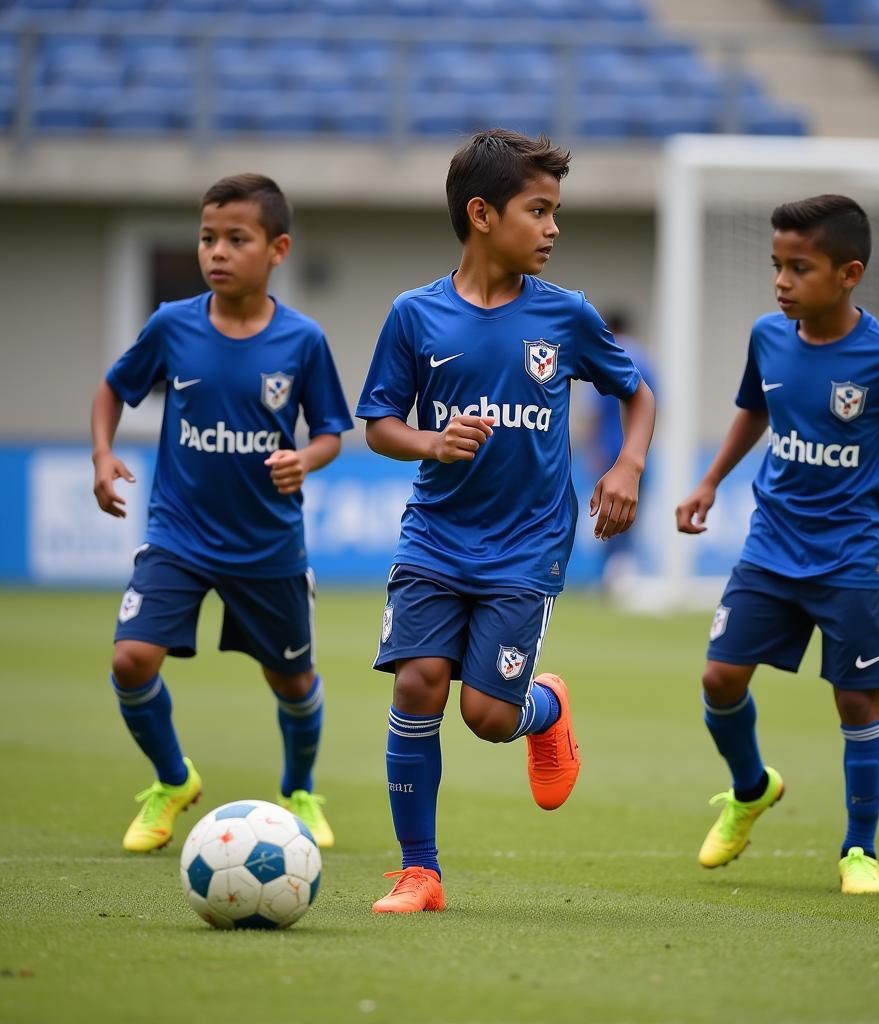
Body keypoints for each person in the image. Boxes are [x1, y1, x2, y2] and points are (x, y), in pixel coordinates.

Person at [356, 129, 656, 914]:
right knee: (419, 682)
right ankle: (420, 871)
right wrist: (432, 441)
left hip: (527, 547)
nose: (554, 228)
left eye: (557, 212)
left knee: (488, 718)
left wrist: (626, 466)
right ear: (482, 214)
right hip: (434, 535)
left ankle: (544, 709)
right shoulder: (415, 316)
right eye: (540, 211)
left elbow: (638, 393)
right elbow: (380, 424)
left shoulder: (567, 316)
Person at [675, 194, 879, 895]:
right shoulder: (768, 337)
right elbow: (755, 409)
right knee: (719, 679)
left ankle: (858, 851)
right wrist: (710, 480)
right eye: (776, 265)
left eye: (798, 267)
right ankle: (751, 788)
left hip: (851, 555)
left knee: (856, 700)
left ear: (848, 273)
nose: (781, 281)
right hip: (771, 544)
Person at [91, 173, 352, 853]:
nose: (217, 251)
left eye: (237, 238)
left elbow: (328, 430)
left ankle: (299, 789)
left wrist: (307, 459)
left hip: (268, 544)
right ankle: (173, 781)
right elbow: (114, 389)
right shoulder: (172, 325)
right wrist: (101, 454)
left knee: (291, 680)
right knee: (130, 660)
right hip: (178, 534)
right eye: (208, 237)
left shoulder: (303, 341)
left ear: (278, 249)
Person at [584, 311, 657, 593]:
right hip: (637, 453)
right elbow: (653, 402)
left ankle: (610, 577)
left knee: (605, 513)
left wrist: (593, 450)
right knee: (631, 512)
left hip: (610, 453)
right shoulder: (645, 358)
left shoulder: (607, 355)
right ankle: (624, 574)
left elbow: (593, 412)